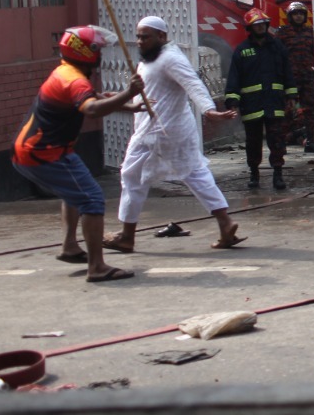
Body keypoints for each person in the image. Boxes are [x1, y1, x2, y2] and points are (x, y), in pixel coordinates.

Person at [12, 26, 145, 283]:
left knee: (75, 191)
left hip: (44, 150)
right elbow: (92, 108)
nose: (101, 55)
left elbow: (92, 97)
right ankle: (97, 267)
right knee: (92, 199)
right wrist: (129, 92)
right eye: (99, 49)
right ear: (86, 52)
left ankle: (70, 246)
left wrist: (128, 105)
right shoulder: (73, 79)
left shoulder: (66, 71)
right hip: (43, 154)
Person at [103, 17, 244, 253]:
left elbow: (193, 83)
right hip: (169, 130)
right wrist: (123, 96)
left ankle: (127, 236)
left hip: (158, 132)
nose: (140, 41)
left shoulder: (170, 58)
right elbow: (149, 93)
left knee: (131, 177)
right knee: (196, 174)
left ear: (161, 37)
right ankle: (225, 223)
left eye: (145, 37)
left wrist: (209, 110)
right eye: (138, 36)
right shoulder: (149, 60)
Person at [224, 8, 296, 190]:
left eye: (262, 24)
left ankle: (278, 174)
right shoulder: (242, 50)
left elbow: (288, 72)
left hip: (274, 102)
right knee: (253, 142)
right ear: (250, 27)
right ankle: (254, 173)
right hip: (252, 105)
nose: (260, 28)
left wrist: (291, 95)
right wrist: (233, 101)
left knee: (277, 140)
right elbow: (234, 77)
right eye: (256, 25)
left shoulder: (277, 47)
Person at [277, 1, 314, 153]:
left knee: (311, 110)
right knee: (288, 110)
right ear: (290, 16)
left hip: (307, 77)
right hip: (289, 79)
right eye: (295, 14)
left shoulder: (310, 32)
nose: (299, 16)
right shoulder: (282, 33)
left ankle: (310, 141)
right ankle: (281, 142)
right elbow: (277, 56)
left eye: (301, 14)